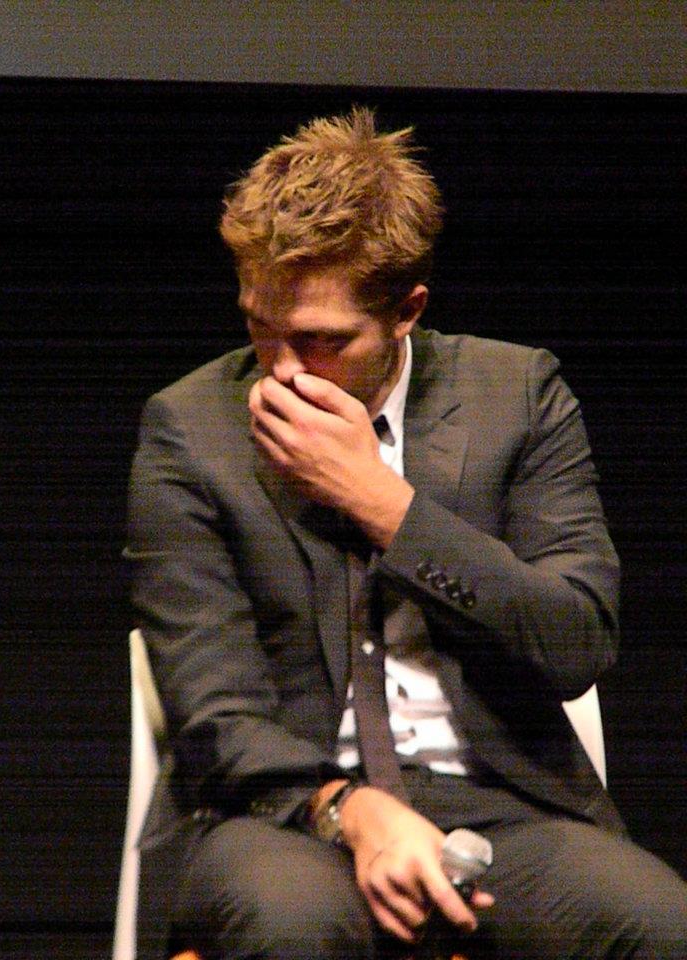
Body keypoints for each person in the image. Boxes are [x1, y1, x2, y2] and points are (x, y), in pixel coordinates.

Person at [125, 108, 687, 960]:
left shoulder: (517, 395)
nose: (282, 370)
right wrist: (349, 810)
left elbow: (577, 641)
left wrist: (383, 504)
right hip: (284, 816)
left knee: (661, 925)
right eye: (259, 327)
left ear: (406, 312)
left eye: (321, 341)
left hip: (502, 807)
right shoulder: (191, 428)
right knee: (294, 925)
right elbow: (213, 710)